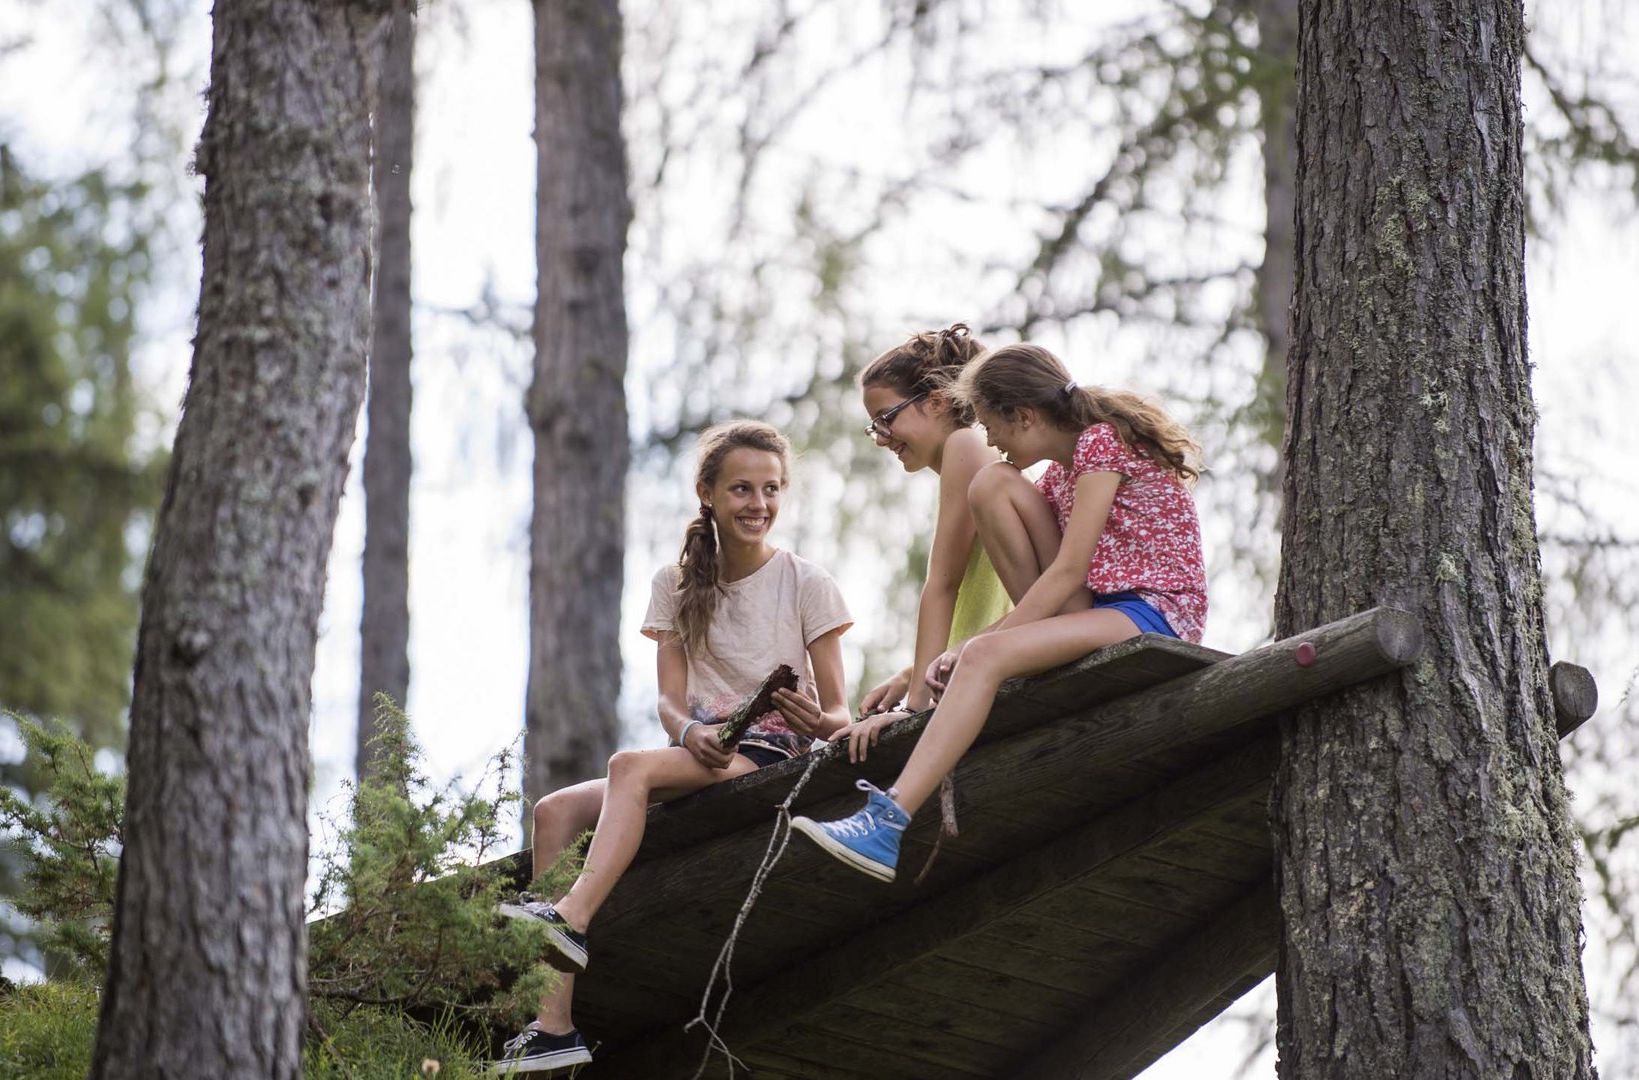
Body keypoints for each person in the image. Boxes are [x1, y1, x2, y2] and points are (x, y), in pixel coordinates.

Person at [494, 420, 854, 1074]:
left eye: (771, 489)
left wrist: (816, 720)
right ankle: (552, 1024)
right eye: (742, 488)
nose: (759, 503)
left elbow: (839, 715)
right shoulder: (677, 583)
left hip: (772, 760)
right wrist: (691, 731)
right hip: (700, 752)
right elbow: (669, 701)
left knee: (629, 765)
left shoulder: (806, 582)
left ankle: (570, 915)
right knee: (553, 811)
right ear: (707, 493)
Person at [792, 343, 1204, 882]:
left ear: (1025, 416)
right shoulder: (1059, 475)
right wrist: (929, 666)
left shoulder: (1102, 443)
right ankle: (889, 811)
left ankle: (885, 823)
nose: (988, 439)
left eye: (992, 425)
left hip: (1154, 612)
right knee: (993, 485)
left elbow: (1067, 573)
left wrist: (972, 647)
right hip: (1104, 608)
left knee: (984, 656)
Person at [833, 324, 1013, 765]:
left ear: (934, 401)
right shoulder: (964, 457)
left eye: (886, 418)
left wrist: (913, 711)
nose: (881, 437)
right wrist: (912, 674)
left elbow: (943, 584)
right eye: (872, 426)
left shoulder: (966, 444)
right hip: (977, 662)